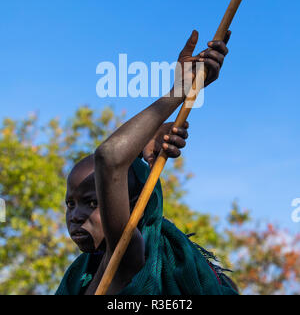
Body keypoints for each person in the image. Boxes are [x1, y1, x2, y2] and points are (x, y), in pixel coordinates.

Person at [56, 30, 238, 295]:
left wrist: (181, 90)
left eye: (94, 202)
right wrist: (144, 143)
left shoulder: (125, 255)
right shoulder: (80, 276)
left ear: (129, 207)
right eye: (70, 203)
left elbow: (109, 156)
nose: (76, 216)